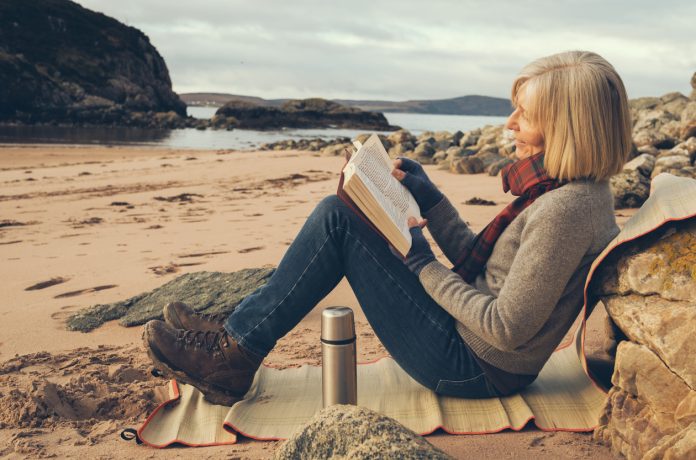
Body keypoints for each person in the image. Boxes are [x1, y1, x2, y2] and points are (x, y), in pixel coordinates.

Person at [143, 50, 632, 404]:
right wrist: (430, 198)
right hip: (469, 340)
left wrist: (419, 261)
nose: (509, 123)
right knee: (344, 214)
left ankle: (235, 353)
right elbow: (479, 266)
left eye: (525, 115)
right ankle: (238, 336)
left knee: (338, 220)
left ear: (568, 126)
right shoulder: (561, 190)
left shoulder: (565, 209)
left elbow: (505, 328)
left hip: (474, 366)